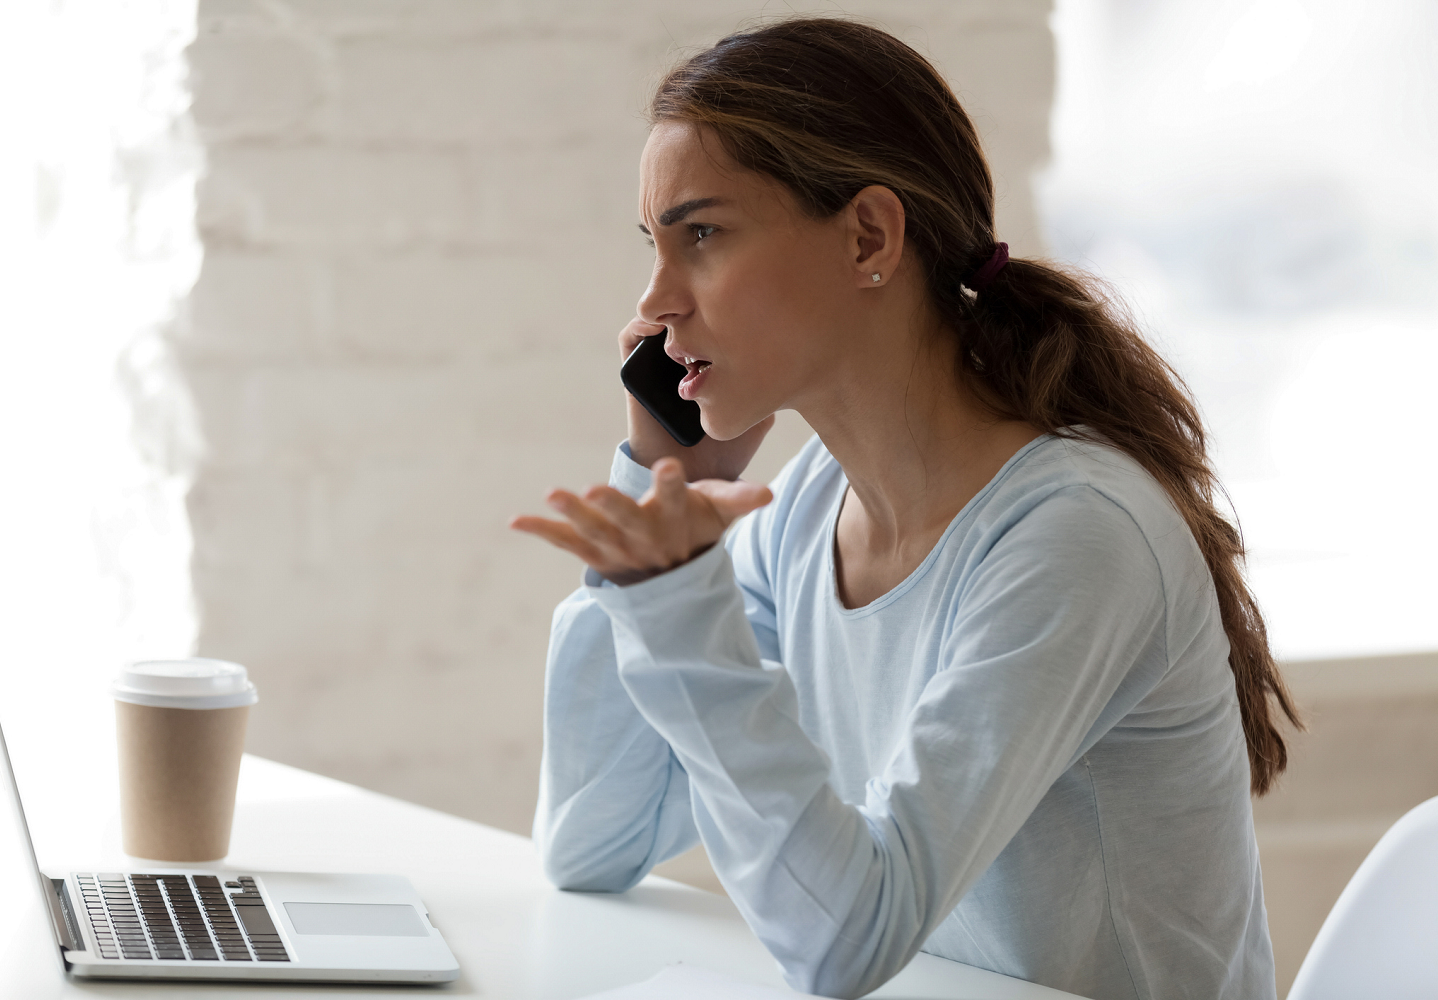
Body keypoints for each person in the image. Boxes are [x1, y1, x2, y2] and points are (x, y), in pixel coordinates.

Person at [509, 17, 1299, 1000]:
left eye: (701, 235)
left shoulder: (1075, 536)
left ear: (870, 237)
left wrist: (675, 600)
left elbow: (845, 942)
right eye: (655, 245)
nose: (655, 299)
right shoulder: (801, 513)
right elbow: (591, 840)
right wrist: (661, 483)